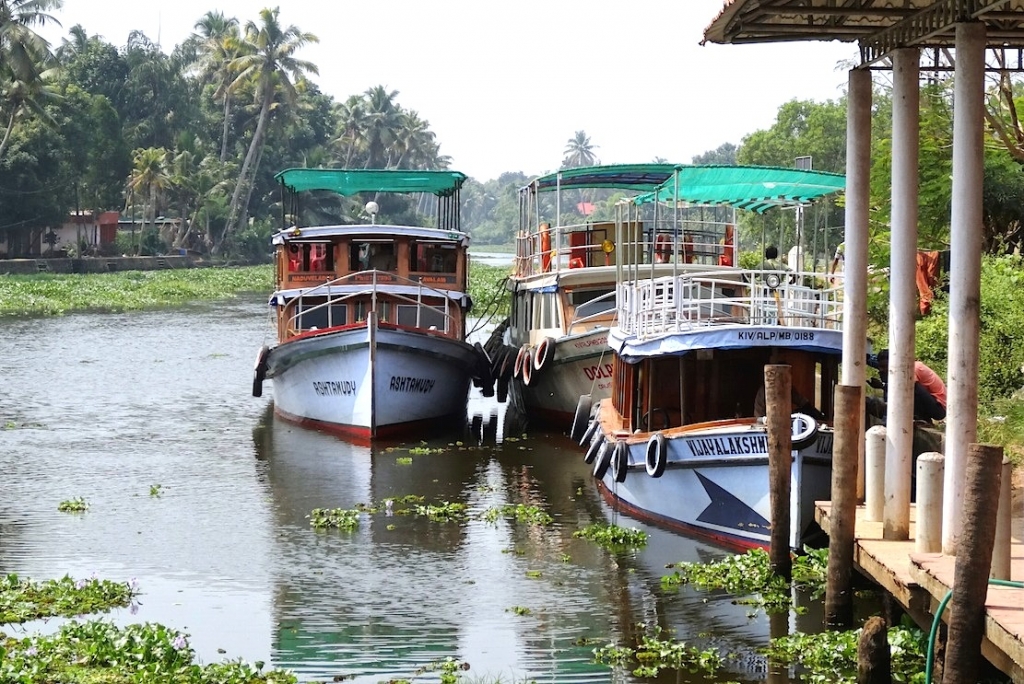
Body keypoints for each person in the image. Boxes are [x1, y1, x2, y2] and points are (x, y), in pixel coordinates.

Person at [867, 349, 946, 424]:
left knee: (910, 386)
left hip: (938, 408)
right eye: (880, 367)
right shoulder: (897, 368)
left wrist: (882, 386)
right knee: (897, 383)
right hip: (930, 403)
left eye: (884, 366)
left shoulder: (911, 368)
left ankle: (920, 418)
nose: (881, 369)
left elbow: (906, 389)